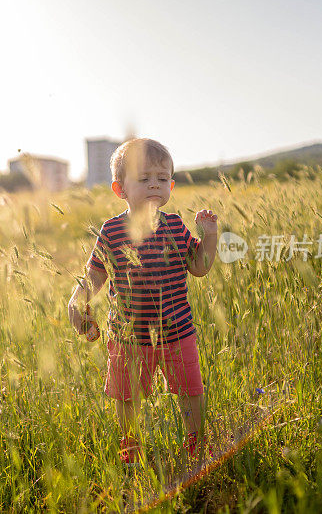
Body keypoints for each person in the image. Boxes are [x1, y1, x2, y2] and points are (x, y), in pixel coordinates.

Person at [67, 138, 218, 466]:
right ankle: (131, 442)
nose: (155, 184)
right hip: (128, 336)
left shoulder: (176, 227)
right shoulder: (111, 232)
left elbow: (200, 267)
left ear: (171, 185)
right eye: (144, 177)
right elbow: (94, 274)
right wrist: (78, 300)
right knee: (127, 395)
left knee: (191, 390)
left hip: (178, 332)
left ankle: (195, 441)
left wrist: (209, 235)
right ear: (119, 189)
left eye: (162, 179)